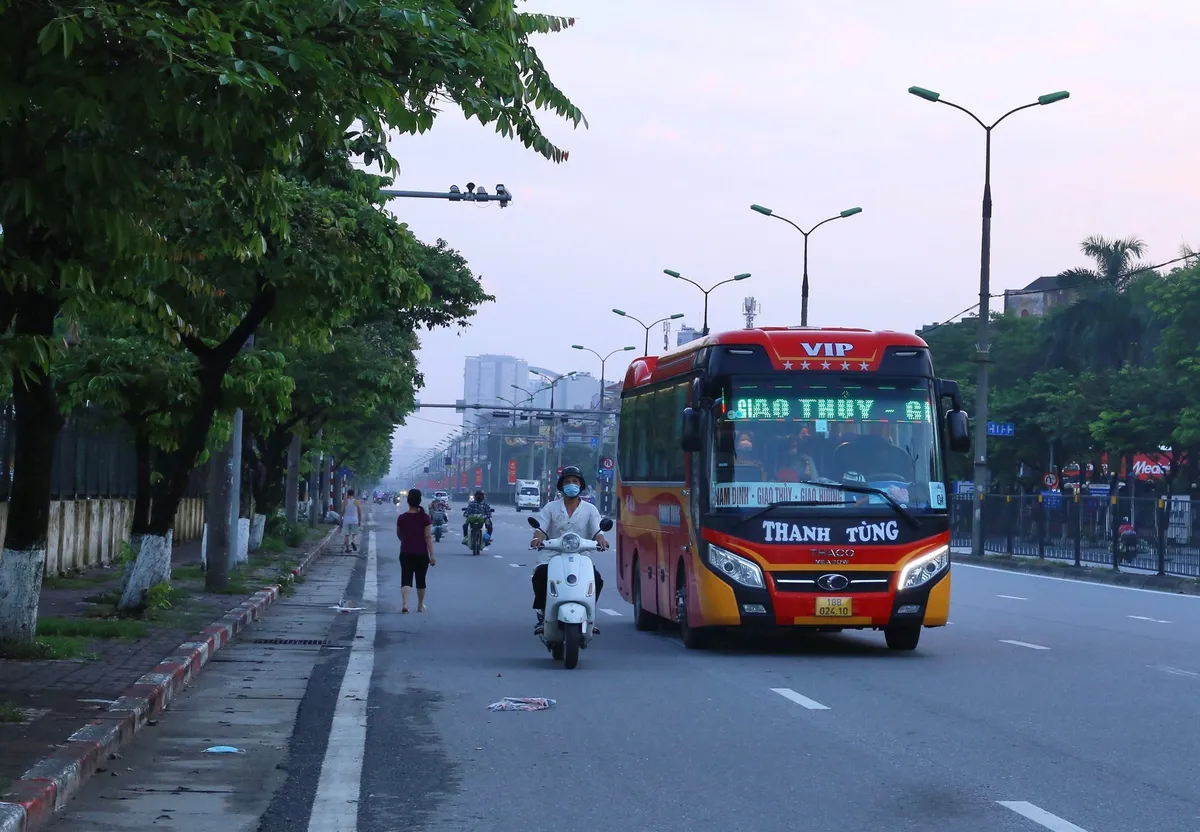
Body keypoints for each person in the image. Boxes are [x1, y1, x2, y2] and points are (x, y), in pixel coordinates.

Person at [529, 466, 608, 636]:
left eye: (575, 481)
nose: (571, 485)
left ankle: (588, 615)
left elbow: (597, 530)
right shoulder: (551, 507)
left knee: (597, 580)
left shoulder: (590, 509)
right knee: (540, 576)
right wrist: (537, 539)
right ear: (561, 486)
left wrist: (601, 539)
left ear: (581, 485)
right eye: (567, 482)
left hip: (581, 556)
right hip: (552, 555)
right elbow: (540, 529)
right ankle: (543, 614)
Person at [396, 489, 436, 613]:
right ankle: (420, 605)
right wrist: (432, 555)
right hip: (422, 553)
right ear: (420, 501)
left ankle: (405, 605)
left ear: (408, 501)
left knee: (406, 579)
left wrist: (405, 540)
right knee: (421, 580)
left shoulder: (402, 517)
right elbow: (428, 537)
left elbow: (399, 534)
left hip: (406, 552)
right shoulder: (425, 518)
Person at [341, 489, 363, 553]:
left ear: (347, 494)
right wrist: (359, 521)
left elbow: (341, 511)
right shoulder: (357, 502)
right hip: (354, 520)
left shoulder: (344, 502)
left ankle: (347, 548)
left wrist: (341, 518)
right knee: (354, 534)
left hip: (346, 520)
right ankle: (353, 541)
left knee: (346, 535)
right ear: (353, 494)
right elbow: (359, 512)